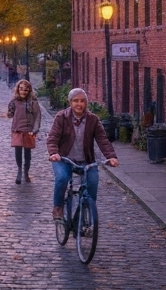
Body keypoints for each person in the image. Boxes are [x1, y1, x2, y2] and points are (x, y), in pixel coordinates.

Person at [47, 88, 118, 222]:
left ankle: (89, 217)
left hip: (87, 160)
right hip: (64, 159)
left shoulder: (93, 119)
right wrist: (54, 153)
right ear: (70, 102)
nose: (79, 104)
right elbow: (53, 138)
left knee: (92, 182)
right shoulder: (61, 117)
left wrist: (111, 156)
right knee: (62, 178)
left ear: (86, 103)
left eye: (82, 101)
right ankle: (58, 207)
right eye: (76, 101)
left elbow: (103, 140)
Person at [6, 78, 42, 184]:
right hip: (17, 129)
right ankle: (19, 170)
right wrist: (9, 113)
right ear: (18, 90)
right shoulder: (14, 101)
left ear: (29, 91)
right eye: (21, 89)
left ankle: (26, 172)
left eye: (25, 90)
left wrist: (35, 130)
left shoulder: (33, 102)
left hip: (29, 130)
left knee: (27, 153)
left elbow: (37, 116)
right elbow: (11, 113)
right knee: (17, 150)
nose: (23, 92)